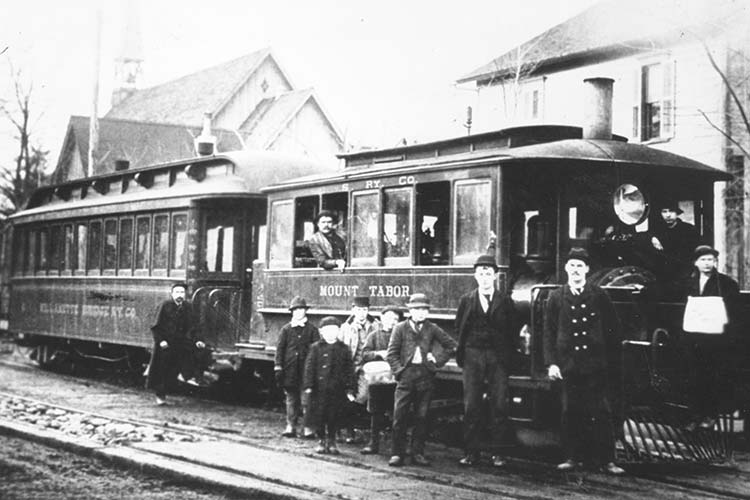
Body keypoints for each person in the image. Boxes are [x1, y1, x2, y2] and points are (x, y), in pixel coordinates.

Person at [543, 248, 625, 475]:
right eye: (572, 266)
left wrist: (610, 361)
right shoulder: (556, 297)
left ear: (587, 270)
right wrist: (552, 363)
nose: (576, 270)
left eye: (580, 266)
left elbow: (613, 330)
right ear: (566, 269)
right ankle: (572, 457)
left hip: (595, 365)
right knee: (571, 411)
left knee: (601, 411)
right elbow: (548, 333)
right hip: (569, 365)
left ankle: (608, 460)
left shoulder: (599, 295)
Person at [455, 254, 517, 467]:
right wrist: (466, 354)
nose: (484, 277)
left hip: (497, 358)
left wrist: (505, 356)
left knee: (499, 405)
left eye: (488, 273)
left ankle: (498, 454)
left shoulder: (505, 301)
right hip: (473, 357)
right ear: (475, 275)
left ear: (495, 276)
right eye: (481, 273)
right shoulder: (466, 300)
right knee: (472, 405)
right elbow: (459, 327)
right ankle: (471, 452)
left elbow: (512, 330)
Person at [386, 293, 457, 467]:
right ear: (410, 311)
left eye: (424, 310)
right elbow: (391, 354)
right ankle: (397, 453)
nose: (420, 313)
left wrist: (437, 361)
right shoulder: (400, 328)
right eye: (417, 309)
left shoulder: (432, 328)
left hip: (425, 376)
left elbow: (452, 346)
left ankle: (417, 452)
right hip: (406, 377)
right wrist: (399, 371)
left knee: (422, 416)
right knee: (399, 416)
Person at [682, 245, 741, 430]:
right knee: (694, 377)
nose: (707, 264)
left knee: (712, 377)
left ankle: (710, 415)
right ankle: (695, 416)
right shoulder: (688, 282)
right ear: (695, 262)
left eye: (710, 260)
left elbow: (734, 313)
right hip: (694, 338)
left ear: (715, 262)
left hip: (716, 340)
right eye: (703, 260)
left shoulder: (726, 283)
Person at [303, 316, 356, 454]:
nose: (331, 333)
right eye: (327, 330)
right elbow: (309, 367)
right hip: (319, 390)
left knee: (334, 417)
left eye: (334, 330)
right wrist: (308, 385)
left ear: (339, 331)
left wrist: (350, 388)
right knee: (319, 416)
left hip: (336, 390)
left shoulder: (344, 349)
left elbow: (349, 369)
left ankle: (332, 441)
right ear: (321, 332)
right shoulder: (315, 348)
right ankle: (321, 440)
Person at [147, 283, 206, 406]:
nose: (179, 295)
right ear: (172, 294)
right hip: (165, 344)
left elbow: (194, 326)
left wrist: (198, 340)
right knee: (162, 369)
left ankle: (190, 377)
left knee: (178, 365)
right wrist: (161, 340)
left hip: (180, 343)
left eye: (182, 292)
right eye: (177, 292)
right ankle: (160, 396)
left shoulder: (188, 307)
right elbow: (156, 326)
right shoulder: (165, 306)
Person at [360, 305, 403, 455]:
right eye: (389, 318)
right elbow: (365, 354)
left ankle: (395, 446)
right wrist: (378, 354)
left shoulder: (401, 335)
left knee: (396, 412)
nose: (392, 322)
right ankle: (374, 443)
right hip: (377, 380)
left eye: (396, 319)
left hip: (395, 380)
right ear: (382, 318)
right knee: (376, 412)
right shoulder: (374, 335)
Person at [274, 296, 320, 438]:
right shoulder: (286, 330)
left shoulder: (312, 330)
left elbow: (317, 350)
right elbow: (280, 349)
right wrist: (278, 367)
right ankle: (290, 426)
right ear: (292, 312)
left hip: (307, 371)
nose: (299, 312)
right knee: (291, 399)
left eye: (302, 310)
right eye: (296, 310)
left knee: (307, 400)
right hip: (290, 370)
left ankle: (308, 428)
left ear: (305, 312)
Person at [339, 295, 381, 443]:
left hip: (366, 367)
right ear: (353, 310)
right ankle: (348, 431)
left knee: (362, 397)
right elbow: (340, 348)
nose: (362, 313)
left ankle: (351, 426)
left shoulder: (376, 326)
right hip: (350, 367)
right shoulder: (346, 327)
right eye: (358, 309)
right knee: (346, 396)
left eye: (364, 309)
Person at [651, 200, 699, 275]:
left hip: (684, 272)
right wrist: (653, 238)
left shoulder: (689, 229)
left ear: (677, 213)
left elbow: (696, 252)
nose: (668, 215)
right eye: (664, 211)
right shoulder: (657, 230)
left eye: (671, 211)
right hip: (663, 273)